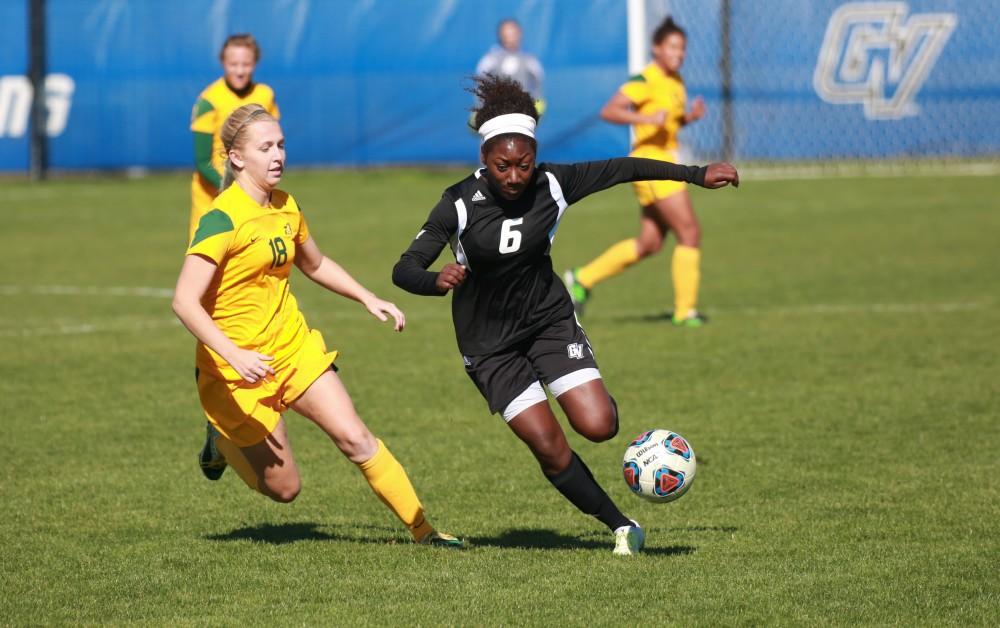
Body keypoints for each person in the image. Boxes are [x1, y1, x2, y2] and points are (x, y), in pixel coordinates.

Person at [392, 75, 737, 555]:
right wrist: (435, 280)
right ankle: (621, 525)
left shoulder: (554, 182)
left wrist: (695, 174)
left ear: (535, 155)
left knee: (599, 426)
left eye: (523, 164)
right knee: (550, 447)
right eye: (502, 166)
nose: (514, 176)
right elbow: (403, 269)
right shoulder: (458, 203)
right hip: (490, 347)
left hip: (548, 322)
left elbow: (623, 167)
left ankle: (640, 445)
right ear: (484, 159)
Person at [173, 104, 462, 548]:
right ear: (236, 158)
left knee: (356, 437)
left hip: (292, 349)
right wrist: (235, 354)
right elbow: (184, 302)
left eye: (281, 145)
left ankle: (425, 533)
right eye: (265, 147)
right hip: (234, 369)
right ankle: (221, 441)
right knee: (285, 489)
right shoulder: (221, 218)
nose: (278, 156)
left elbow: (316, 263)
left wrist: (368, 296)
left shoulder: (287, 206)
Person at [564, 17, 711, 326]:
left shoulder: (676, 81)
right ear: (656, 48)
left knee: (650, 243)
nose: (679, 53)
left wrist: (687, 119)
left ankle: (582, 279)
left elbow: (666, 122)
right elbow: (610, 110)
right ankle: (686, 312)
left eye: (682, 48)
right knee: (689, 233)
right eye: (672, 46)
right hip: (652, 164)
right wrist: (646, 121)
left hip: (662, 162)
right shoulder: (644, 79)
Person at [189, 34, 280, 242]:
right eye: (233, 64)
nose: (240, 71)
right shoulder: (209, 101)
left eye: (246, 64)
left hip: (254, 195)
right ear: (223, 63)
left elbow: (271, 141)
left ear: (255, 63)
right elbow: (202, 162)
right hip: (212, 198)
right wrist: (234, 186)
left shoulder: (265, 95)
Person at [475, 19, 546, 116]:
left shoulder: (530, 60)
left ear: (519, 34)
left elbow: (538, 84)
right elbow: (480, 84)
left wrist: (535, 109)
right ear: (500, 35)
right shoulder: (489, 59)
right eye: (506, 33)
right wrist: (481, 110)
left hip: (523, 114)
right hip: (496, 114)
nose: (510, 37)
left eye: (513, 33)